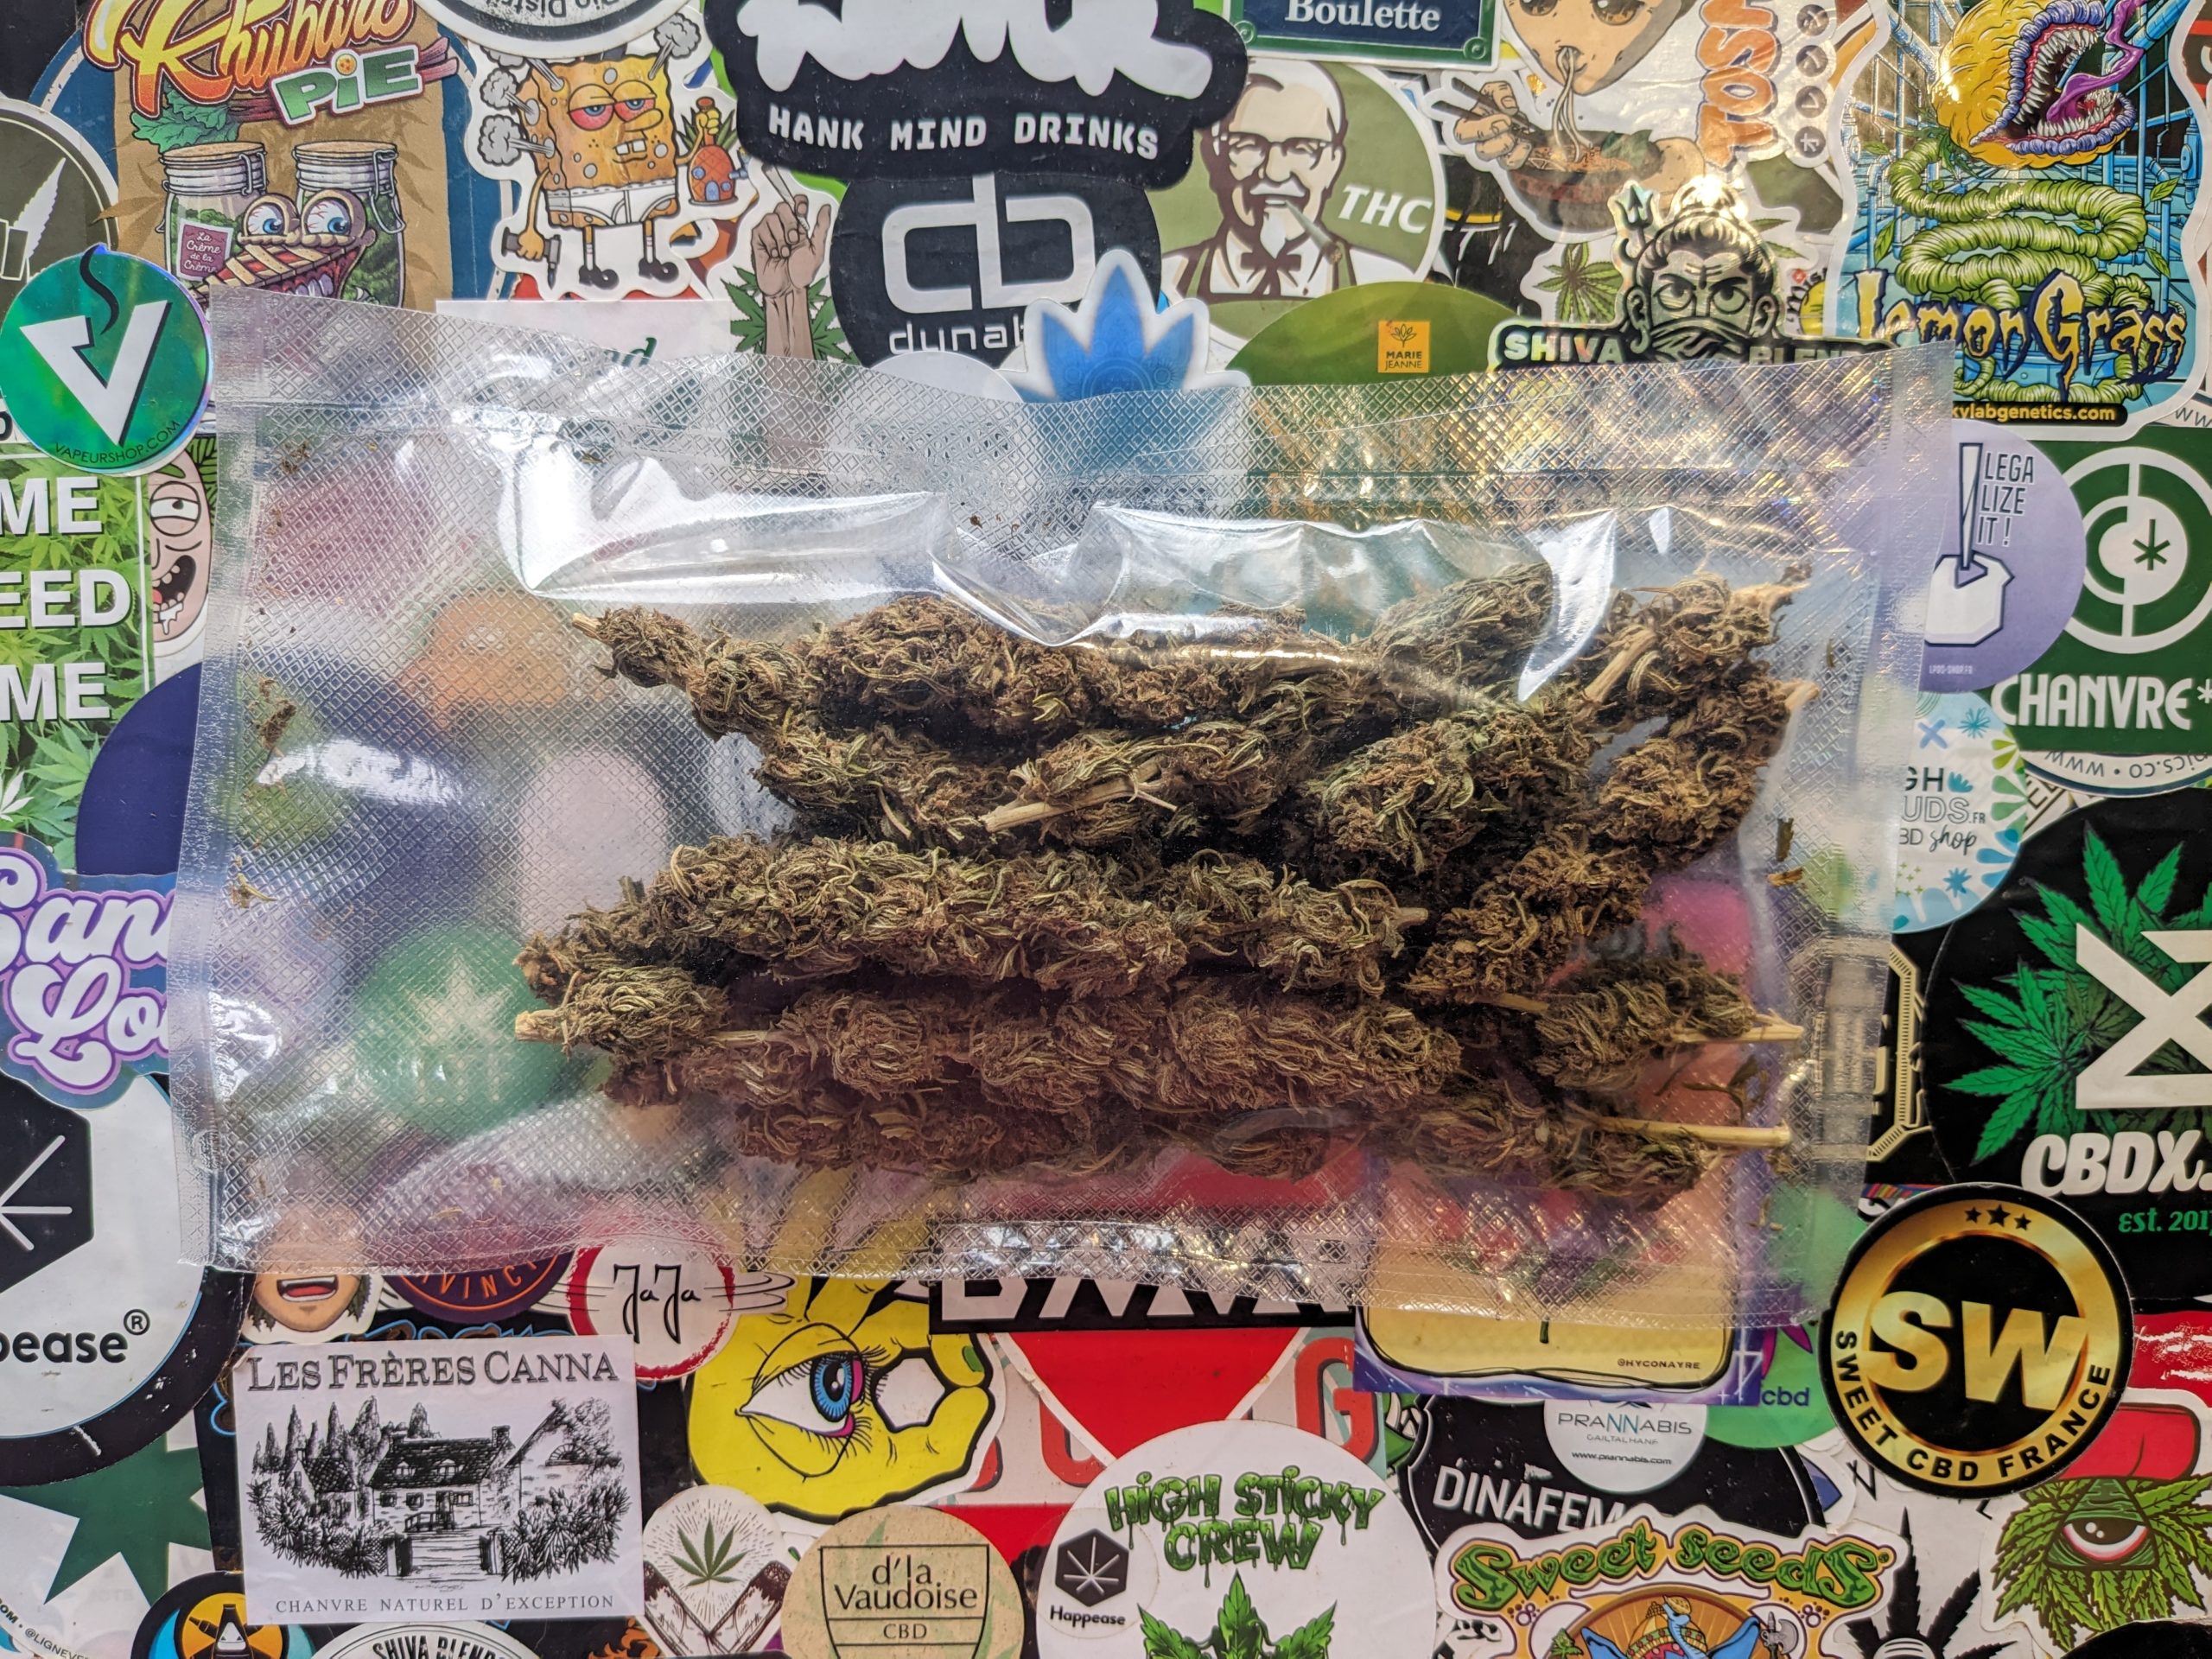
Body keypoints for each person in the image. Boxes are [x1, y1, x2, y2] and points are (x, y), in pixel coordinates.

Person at [1427, 0, 1705, 233]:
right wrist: (1469, 162)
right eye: (1536, 2)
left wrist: (1677, 171)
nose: (1568, 41)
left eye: (1617, 6)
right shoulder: (1489, 52)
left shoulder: (1703, 64)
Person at [1166, 57, 1414, 302]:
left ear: (1333, 163)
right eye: (1249, 144)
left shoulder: (1389, 287)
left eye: (1303, 148)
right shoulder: (1167, 280)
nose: (1276, 173)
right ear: (1214, 156)